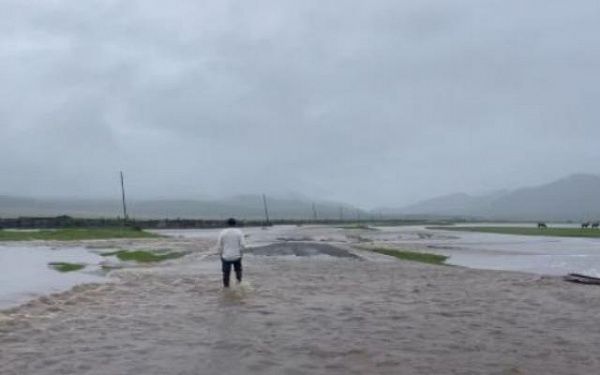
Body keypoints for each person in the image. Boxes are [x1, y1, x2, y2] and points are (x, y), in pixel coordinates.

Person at [217, 218, 245, 287]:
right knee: (238, 271)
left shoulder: (223, 232)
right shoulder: (239, 232)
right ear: (235, 224)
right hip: (237, 256)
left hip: (226, 256)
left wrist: (220, 255)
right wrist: (241, 254)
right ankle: (239, 285)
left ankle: (226, 288)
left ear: (227, 224)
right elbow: (242, 245)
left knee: (226, 274)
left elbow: (219, 245)